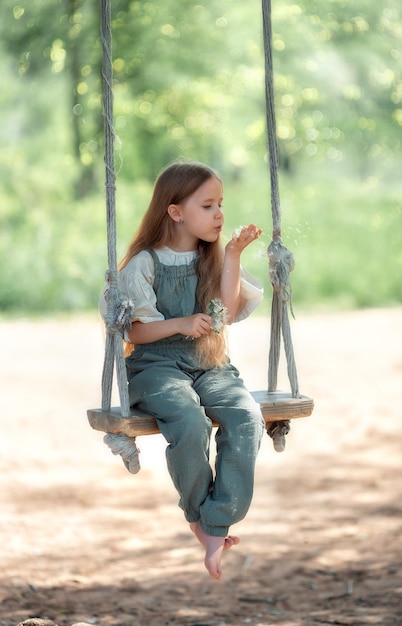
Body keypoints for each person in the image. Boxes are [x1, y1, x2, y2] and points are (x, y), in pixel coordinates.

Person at [100, 161, 265, 579]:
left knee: (246, 418)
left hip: (209, 363)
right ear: (175, 211)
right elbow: (133, 329)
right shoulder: (145, 262)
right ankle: (199, 514)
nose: (219, 214)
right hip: (156, 366)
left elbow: (224, 313)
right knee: (189, 420)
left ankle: (218, 519)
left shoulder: (210, 256)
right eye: (207, 205)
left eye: (220, 204)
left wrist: (232, 254)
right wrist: (179, 323)